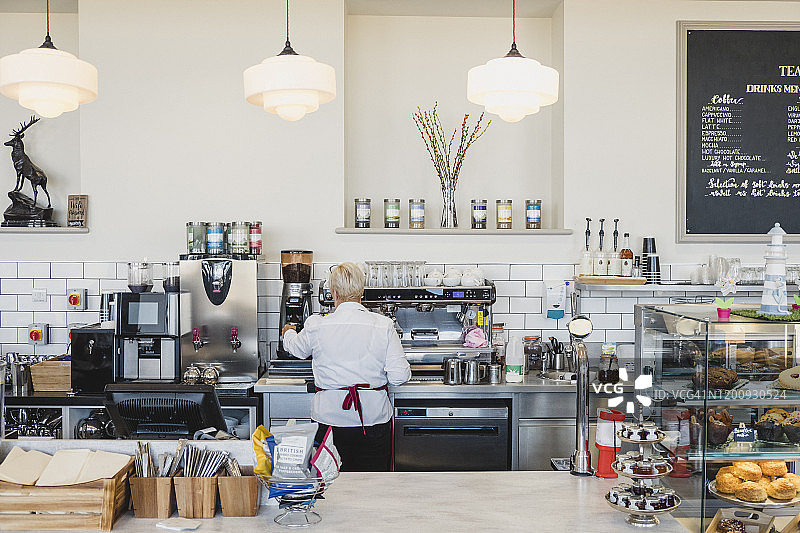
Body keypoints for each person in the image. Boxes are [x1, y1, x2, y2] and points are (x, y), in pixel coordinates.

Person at [281, 262, 411, 471]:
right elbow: (399, 376)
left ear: (334, 293)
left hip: (328, 422)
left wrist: (288, 331)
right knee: (374, 485)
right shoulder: (383, 325)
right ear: (362, 291)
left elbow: (297, 349)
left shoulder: (316, 324)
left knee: (329, 484)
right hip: (373, 422)